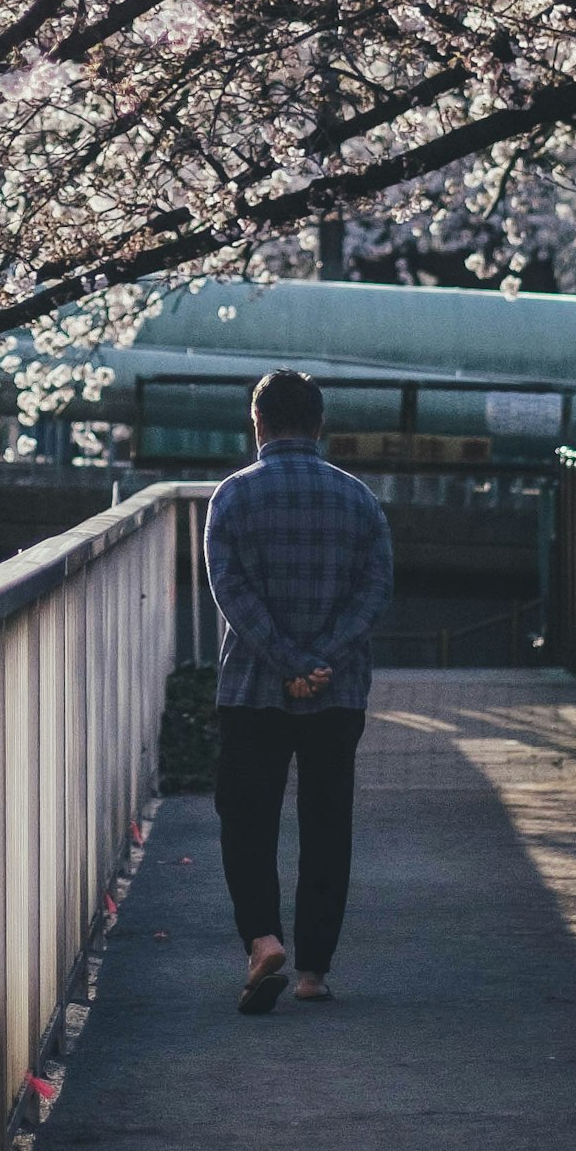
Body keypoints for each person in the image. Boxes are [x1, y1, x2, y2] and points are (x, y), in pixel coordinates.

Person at [201, 367, 395, 1015]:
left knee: (246, 820)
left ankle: (262, 941)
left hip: (253, 687)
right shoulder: (358, 499)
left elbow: (231, 594)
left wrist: (284, 659)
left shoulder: (231, 496)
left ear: (257, 423)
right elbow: (375, 591)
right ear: (319, 425)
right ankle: (313, 969)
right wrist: (320, 659)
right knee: (326, 822)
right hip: (336, 692)